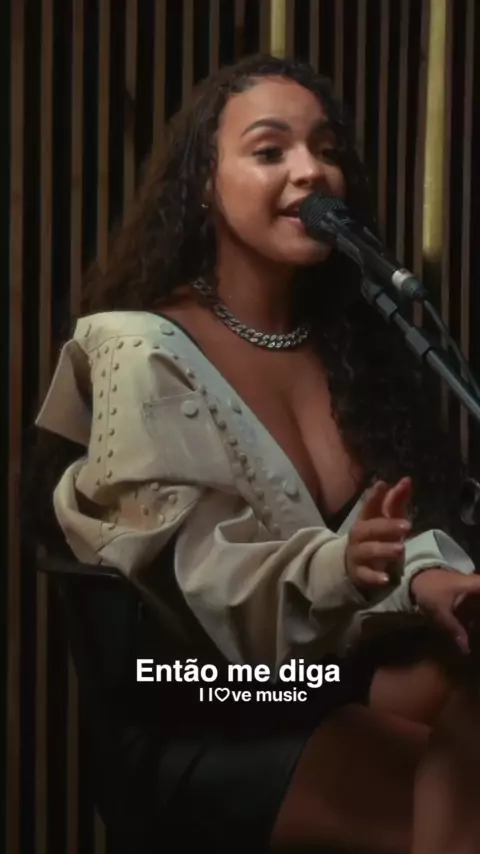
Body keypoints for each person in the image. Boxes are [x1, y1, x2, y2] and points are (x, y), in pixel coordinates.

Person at [32, 53, 480, 853]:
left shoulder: (356, 349)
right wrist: (343, 569)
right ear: (204, 184)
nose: (311, 170)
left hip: (325, 676)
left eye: (327, 150)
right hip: (201, 699)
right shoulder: (138, 351)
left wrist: (429, 579)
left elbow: (392, 542)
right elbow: (199, 586)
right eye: (271, 151)